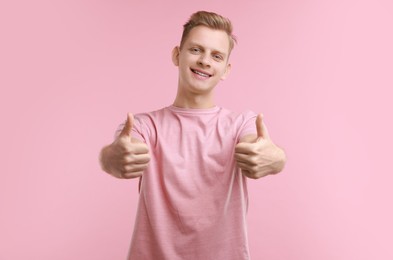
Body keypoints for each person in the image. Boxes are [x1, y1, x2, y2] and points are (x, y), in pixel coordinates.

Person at [99, 10, 286, 260]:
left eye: (216, 56)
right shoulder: (145, 126)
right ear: (177, 55)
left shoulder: (241, 125)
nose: (205, 61)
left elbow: (258, 146)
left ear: (226, 69)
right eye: (196, 50)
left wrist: (275, 157)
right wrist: (110, 157)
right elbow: (120, 151)